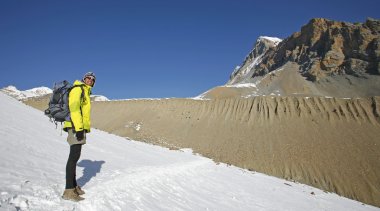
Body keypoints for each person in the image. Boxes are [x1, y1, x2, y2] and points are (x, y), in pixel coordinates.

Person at [62, 72, 96, 202]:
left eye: (92, 79)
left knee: (75, 157)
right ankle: (68, 190)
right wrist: (79, 128)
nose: (90, 80)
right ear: (84, 79)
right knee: (73, 157)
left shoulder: (85, 92)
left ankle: (74, 187)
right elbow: (74, 108)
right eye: (88, 78)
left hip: (78, 127)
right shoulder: (78, 89)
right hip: (75, 127)